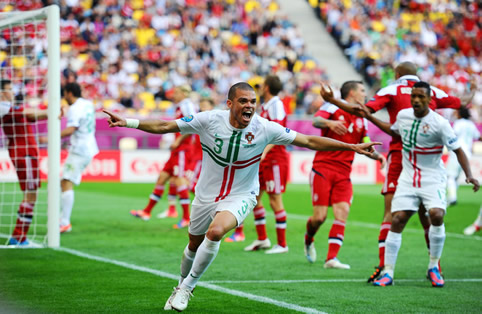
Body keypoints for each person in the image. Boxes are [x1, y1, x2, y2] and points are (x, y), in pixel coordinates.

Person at [103, 82, 381, 311]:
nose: (249, 106)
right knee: (192, 243)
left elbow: (308, 141)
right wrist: (128, 121)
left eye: (253, 101)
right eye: (243, 101)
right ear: (230, 104)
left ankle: (187, 288)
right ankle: (180, 283)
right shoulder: (208, 120)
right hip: (206, 194)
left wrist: (352, 146)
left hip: (242, 194)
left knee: (215, 233)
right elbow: (165, 126)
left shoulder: (264, 127)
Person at [320, 61, 475, 282]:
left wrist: (333, 101)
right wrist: (472, 90)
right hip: (416, 163)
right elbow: (462, 103)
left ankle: (385, 267)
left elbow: (361, 110)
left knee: (392, 215)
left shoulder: (391, 90)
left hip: (400, 158)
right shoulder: (432, 92)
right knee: (426, 218)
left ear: (397, 73)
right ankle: (433, 267)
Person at [361, 81, 479, 287]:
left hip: (432, 177)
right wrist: (370, 116)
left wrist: (469, 175)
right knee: (397, 219)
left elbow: (458, 149)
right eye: (413, 96)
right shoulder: (403, 115)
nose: (416, 100)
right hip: (408, 177)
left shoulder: (440, 123)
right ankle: (388, 272)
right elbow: (394, 131)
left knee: (436, 214)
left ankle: (433, 266)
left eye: (421, 97)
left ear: (429, 99)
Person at [305, 81, 386, 268]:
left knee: (343, 212)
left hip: (344, 172)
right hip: (323, 167)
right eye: (363, 90)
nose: (365, 94)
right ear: (351, 93)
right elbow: (315, 121)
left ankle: (331, 259)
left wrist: (378, 156)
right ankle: (309, 238)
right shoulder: (332, 105)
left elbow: (365, 142)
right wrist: (329, 122)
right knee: (319, 217)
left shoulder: (361, 117)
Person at [227, 75, 291, 254]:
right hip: (265, 159)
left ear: (268, 87)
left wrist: (264, 151)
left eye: (261, 86)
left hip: (275, 159)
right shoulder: (267, 106)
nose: (260, 88)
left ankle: (282, 244)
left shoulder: (277, 104)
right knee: (255, 198)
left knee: (275, 199)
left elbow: (278, 131)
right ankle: (262, 238)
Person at [130, 85, 197, 229]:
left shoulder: (187, 105)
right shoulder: (180, 106)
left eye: (177, 92)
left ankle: (186, 218)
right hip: (177, 149)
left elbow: (193, 124)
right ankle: (146, 212)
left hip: (183, 150)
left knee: (180, 181)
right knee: (162, 178)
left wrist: (178, 141)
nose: (174, 94)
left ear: (184, 93)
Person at [0, 79, 48, 245]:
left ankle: (18, 237)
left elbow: (30, 116)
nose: (13, 92)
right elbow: (30, 113)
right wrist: (52, 110)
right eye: (10, 89)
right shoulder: (2, 107)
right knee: (30, 194)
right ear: (1, 92)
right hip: (24, 153)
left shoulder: (9, 108)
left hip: (24, 151)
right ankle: (19, 237)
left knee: (31, 193)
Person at [58, 82, 99, 233]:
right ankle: (62, 218)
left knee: (67, 182)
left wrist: (50, 138)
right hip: (88, 145)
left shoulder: (75, 109)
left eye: (64, 94)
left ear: (69, 93)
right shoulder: (87, 104)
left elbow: (71, 129)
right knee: (63, 182)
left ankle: (64, 222)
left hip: (80, 150)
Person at [446, 107, 481, 206]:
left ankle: (452, 197)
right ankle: (452, 196)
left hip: (457, 152)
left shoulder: (458, 123)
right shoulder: (471, 125)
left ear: (459, 114)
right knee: (456, 177)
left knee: (450, 176)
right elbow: (478, 136)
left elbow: (453, 135)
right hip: (468, 154)